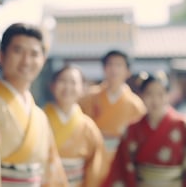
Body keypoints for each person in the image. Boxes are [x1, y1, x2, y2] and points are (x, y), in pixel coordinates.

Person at [0, 22, 69, 187]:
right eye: (18, 51)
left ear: (43, 60)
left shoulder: (39, 115)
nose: (26, 61)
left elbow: (51, 170)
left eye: (34, 54)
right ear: (1, 56)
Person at [102, 71, 186, 187]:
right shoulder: (132, 130)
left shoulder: (182, 126)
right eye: (149, 94)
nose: (155, 100)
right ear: (141, 96)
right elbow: (121, 168)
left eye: (160, 94)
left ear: (168, 95)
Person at [79, 50, 146, 180]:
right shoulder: (89, 98)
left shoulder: (136, 105)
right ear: (104, 68)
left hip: (122, 160)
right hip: (93, 158)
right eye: (110, 64)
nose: (114, 69)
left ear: (128, 71)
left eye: (119, 65)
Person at [43, 65, 106, 187]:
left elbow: (95, 167)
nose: (67, 87)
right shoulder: (40, 119)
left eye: (73, 82)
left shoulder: (89, 127)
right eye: (62, 81)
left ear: (83, 89)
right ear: (52, 86)